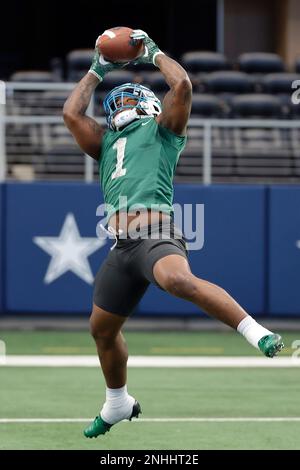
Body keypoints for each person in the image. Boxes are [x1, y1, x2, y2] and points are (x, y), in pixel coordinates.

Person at [63, 30, 284, 439]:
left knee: (177, 279)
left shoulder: (164, 131)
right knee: (101, 329)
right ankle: (117, 403)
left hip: (155, 232)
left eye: (132, 98)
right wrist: (96, 70)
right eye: (120, 99)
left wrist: (152, 52)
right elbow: (73, 115)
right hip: (120, 247)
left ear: (147, 105)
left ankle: (258, 333)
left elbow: (181, 84)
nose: (124, 103)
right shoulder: (108, 141)